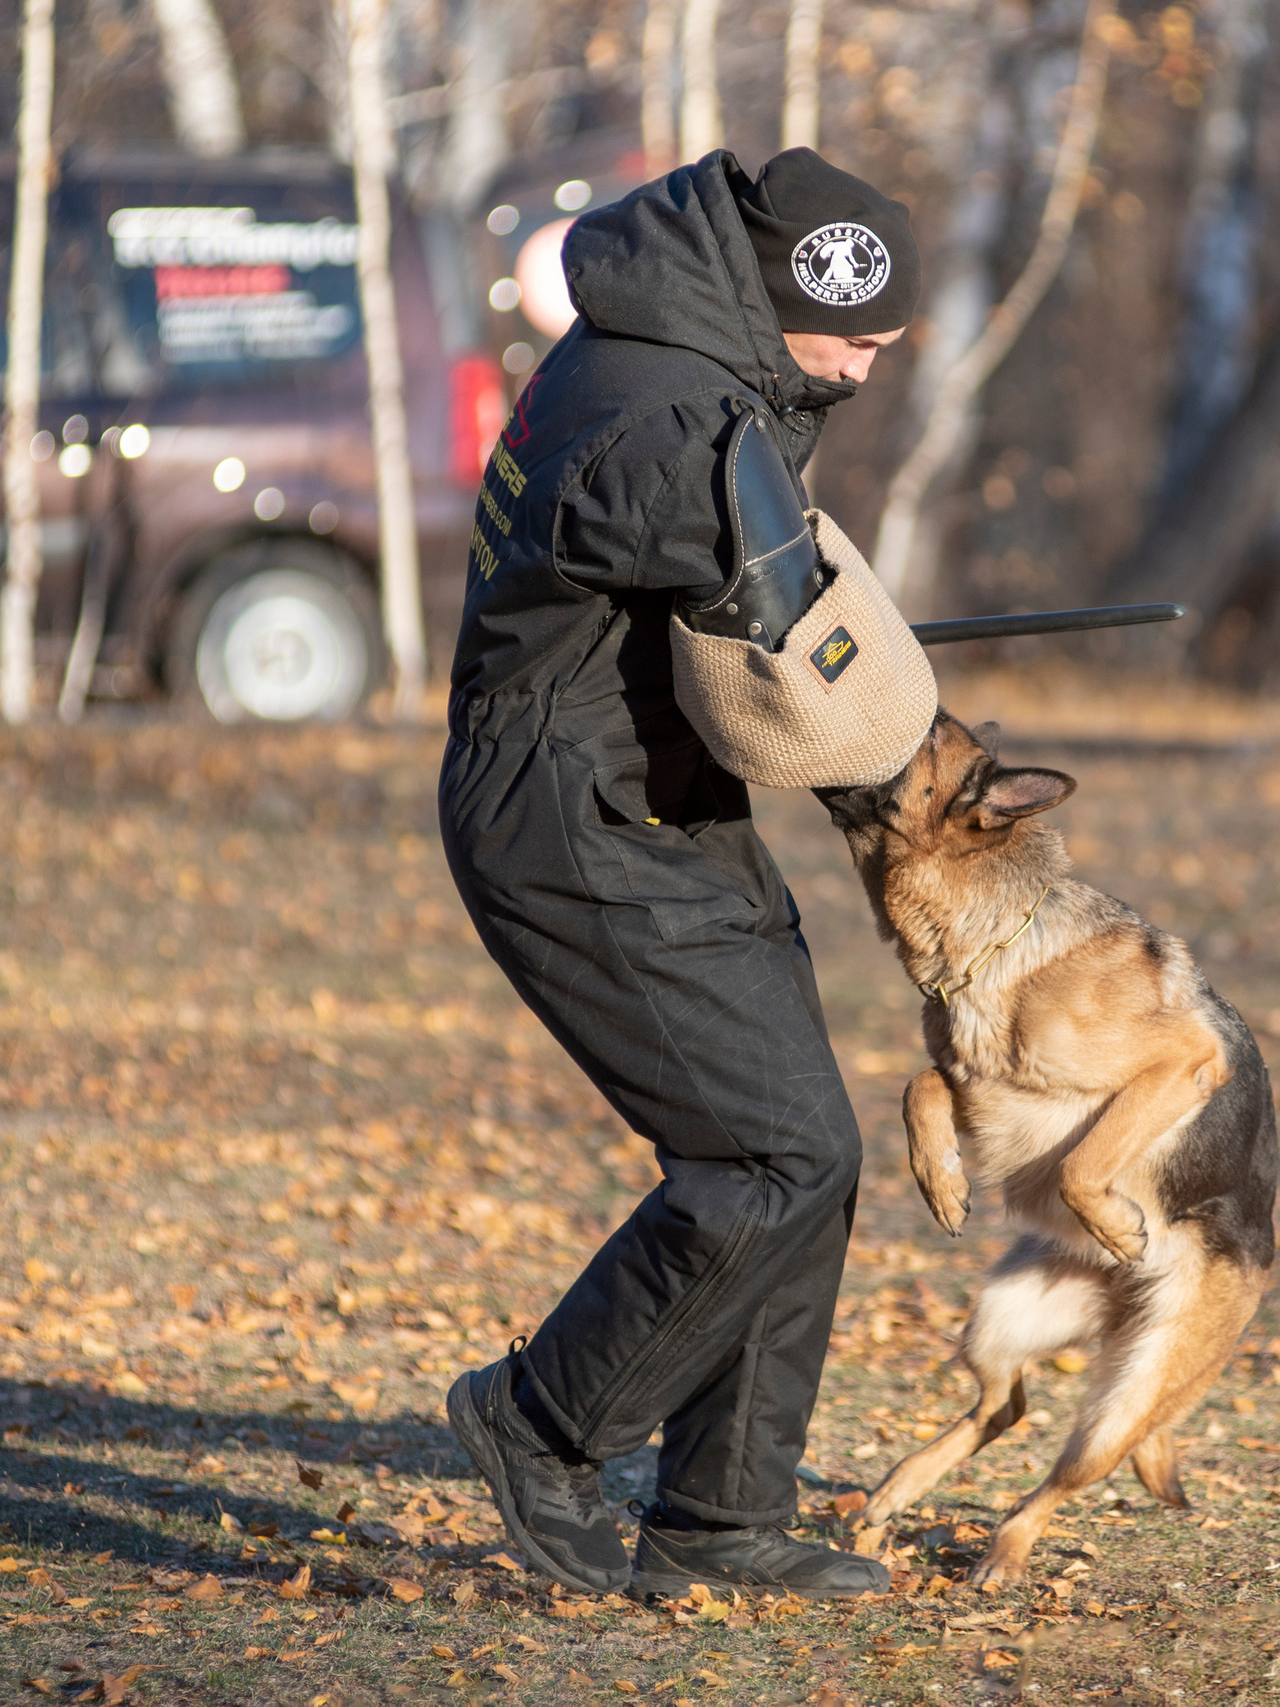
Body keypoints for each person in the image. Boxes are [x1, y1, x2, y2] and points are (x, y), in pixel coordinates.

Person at [436, 148, 921, 1599]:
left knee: (806, 1155)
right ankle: (538, 1422)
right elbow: (805, 675)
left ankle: (723, 1514)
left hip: (656, 796)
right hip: (571, 823)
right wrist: (931, 806)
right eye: (856, 338)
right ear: (778, 298)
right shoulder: (669, 427)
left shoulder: (685, 364)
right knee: (767, 1154)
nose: (870, 367)